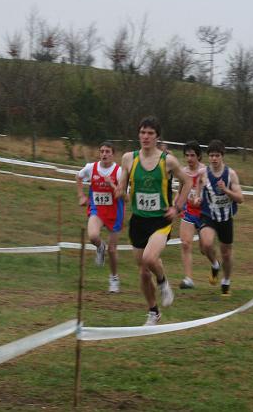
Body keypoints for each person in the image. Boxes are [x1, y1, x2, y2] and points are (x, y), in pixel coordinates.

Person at [115, 116, 190, 326]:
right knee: (143, 272)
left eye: (150, 133)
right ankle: (153, 312)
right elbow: (123, 188)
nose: (145, 137)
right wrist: (119, 191)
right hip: (138, 221)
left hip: (160, 220)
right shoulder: (129, 158)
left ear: (157, 136)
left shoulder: (169, 160)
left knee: (149, 258)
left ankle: (164, 282)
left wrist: (177, 207)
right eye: (142, 132)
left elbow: (188, 181)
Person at [194, 140, 244, 296]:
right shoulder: (203, 173)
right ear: (208, 157)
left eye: (217, 155)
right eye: (211, 156)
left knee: (226, 254)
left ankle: (226, 281)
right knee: (207, 245)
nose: (214, 159)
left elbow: (240, 198)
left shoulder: (230, 174)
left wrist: (226, 190)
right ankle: (215, 265)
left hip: (225, 217)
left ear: (222, 156)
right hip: (209, 214)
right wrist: (197, 197)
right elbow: (198, 185)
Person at [76, 141, 125, 293]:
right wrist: (81, 195)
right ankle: (99, 246)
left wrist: (112, 185)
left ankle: (114, 278)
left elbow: (124, 195)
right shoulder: (91, 168)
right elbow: (78, 177)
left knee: (112, 250)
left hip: (114, 212)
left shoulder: (119, 171)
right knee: (92, 236)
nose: (104, 154)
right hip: (97, 209)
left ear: (113, 154)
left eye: (107, 151)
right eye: (102, 151)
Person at [176, 140, 207, 289]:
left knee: (204, 248)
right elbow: (180, 190)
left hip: (204, 213)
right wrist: (176, 205)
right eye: (187, 155)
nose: (189, 158)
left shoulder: (205, 171)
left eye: (192, 155)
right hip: (188, 211)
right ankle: (189, 279)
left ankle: (215, 263)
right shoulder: (183, 172)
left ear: (199, 156)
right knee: (185, 243)